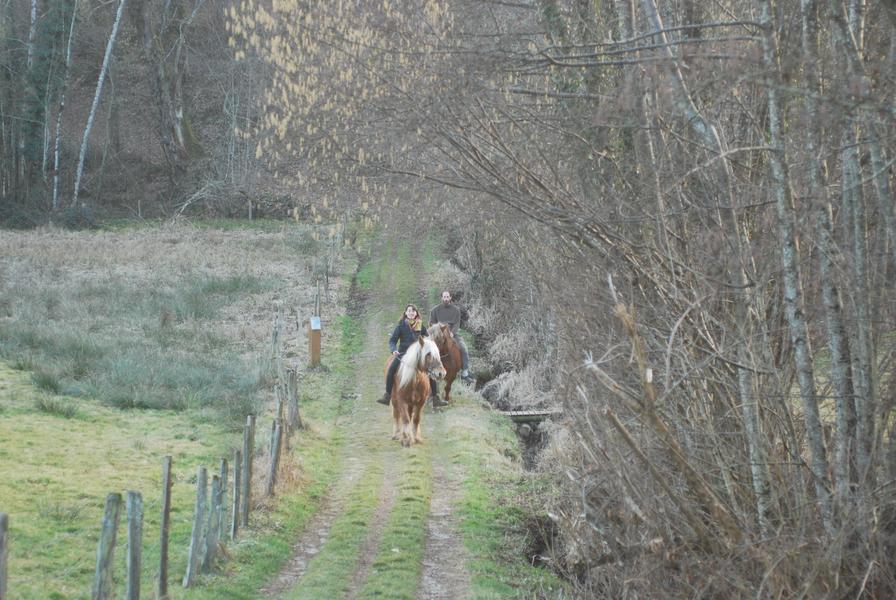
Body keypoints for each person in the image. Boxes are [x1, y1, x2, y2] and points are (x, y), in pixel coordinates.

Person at [378, 304, 428, 405]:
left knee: (430, 370)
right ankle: (387, 395)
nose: (411, 313)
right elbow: (392, 341)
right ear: (405, 313)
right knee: (391, 370)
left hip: (417, 355)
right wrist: (394, 350)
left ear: (416, 313)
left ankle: (435, 396)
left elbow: (428, 337)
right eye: (409, 311)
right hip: (403, 353)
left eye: (413, 311)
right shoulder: (400, 326)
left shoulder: (420, 325)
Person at [429, 290, 473, 382]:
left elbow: (457, 323)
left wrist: (452, 332)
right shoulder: (435, 310)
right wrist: (438, 331)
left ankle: (465, 373)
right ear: (441, 298)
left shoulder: (456, 310)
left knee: (463, 348)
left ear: (450, 298)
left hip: (452, 333)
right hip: (439, 334)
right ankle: (429, 370)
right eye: (444, 297)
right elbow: (432, 323)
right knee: (428, 348)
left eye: (447, 297)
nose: (446, 299)